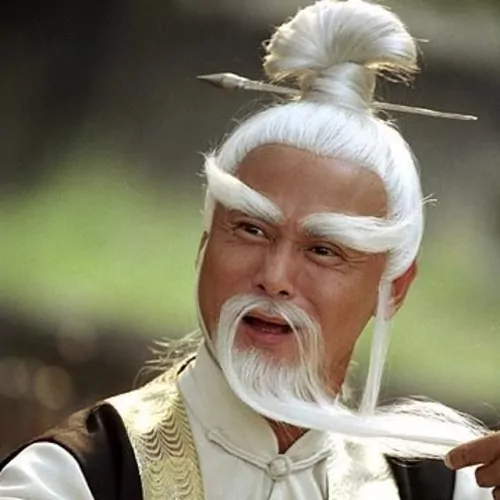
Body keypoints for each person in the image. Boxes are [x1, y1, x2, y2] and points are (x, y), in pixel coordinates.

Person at [1, 0, 499, 498]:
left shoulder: (455, 485)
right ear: (204, 243)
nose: (275, 277)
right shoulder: (67, 480)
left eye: (323, 250)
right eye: (251, 230)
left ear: (394, 288)